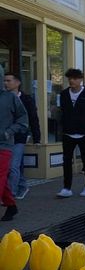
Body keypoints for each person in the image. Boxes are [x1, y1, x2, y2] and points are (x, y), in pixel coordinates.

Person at [57, 69, 85, 198]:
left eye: (75, 78)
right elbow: (62, 111)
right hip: (68, 133)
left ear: (81, 80)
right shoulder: (64, 94)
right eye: (70, 78)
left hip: (84, 133)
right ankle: (66, 188)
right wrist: (63, 124)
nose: (72, 81)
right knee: (66, 161)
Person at [3, 72, 40, 200]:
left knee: (13, 166)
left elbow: (33, 118)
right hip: (4, 138)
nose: (5, 83)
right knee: (13, 165)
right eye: (4, 81)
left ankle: (11, 194)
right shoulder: (4, 97)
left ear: (17, 83)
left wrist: (37, 137)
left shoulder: (26, 99)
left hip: (19, 136)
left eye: (8, 80)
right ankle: (22, 185)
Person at [0, 65, 28, 220]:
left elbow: (23, 119)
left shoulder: (10, 98)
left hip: (3, 145)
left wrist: (8, 132)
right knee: (2, 181)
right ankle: (11, 206)